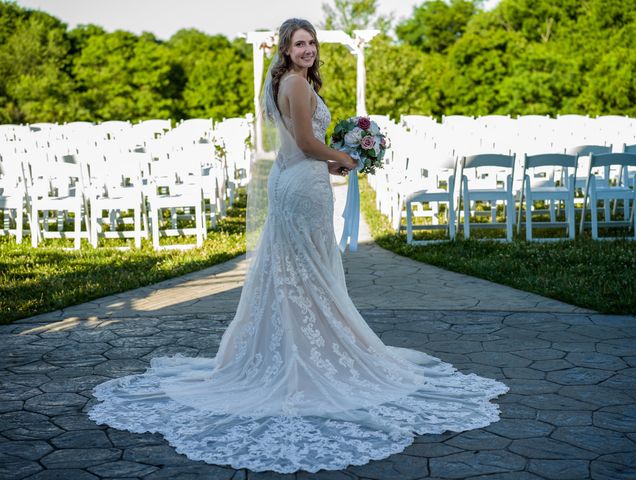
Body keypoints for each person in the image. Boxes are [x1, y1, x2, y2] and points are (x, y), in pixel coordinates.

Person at [88, 18, 508, 474]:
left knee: (296, 273)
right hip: (302, 190)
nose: (307, 49)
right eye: (299, 43)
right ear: (286, 50)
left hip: (297, 181)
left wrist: (328, 162)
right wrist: (344, 156)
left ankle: (297, 350)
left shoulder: (286, 84)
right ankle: (305, 359)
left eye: (311, 43)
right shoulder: (297, 85)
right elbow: (309, 140)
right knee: (307, 273)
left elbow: (298, 147)